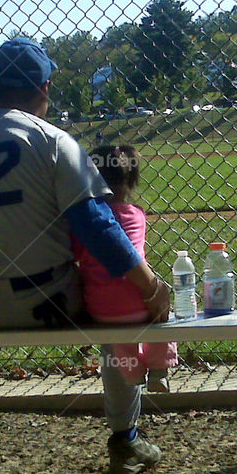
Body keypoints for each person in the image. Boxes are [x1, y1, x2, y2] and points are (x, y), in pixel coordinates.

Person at [0, 38, 171, 474]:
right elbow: (101, 229)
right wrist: (150, 286)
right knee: (118, 312)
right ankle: (126, 439)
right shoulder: (53, 140)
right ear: (45, 87)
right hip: (47, 304)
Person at [72, 144, 178, 393]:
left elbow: (75, 255)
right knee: (162, 318)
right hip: (142, 302)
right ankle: (159, 369)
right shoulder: (137, 214)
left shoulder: (85, 221)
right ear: (131, 180)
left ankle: (131, 372)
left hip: (100, 309)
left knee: (117, 334)